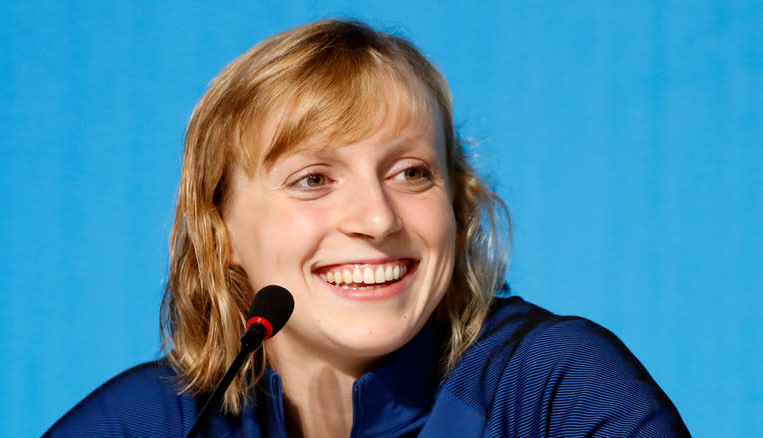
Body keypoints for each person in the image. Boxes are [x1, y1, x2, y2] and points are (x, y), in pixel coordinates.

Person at [45, 19, 690, 437]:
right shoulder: (151, 422)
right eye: (315, 180)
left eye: (411, 173)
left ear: (458, 207)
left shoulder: (552, 387)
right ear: (224, 236)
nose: (379, 218)